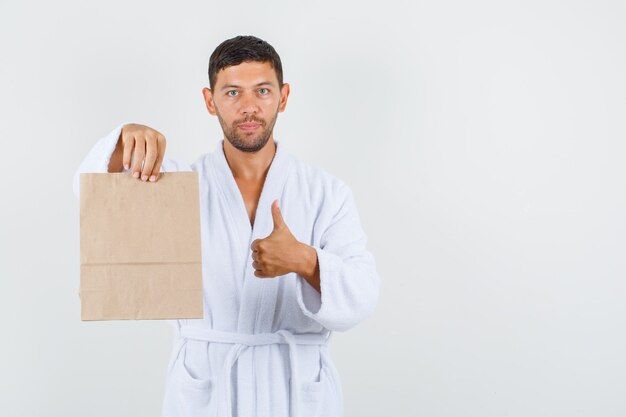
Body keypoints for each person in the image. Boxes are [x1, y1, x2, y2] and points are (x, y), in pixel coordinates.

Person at [73, 34, 380, 417]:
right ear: (209, 100)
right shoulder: (175, 185)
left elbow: (363, 295)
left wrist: (306, 261)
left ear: (283, 97)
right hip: (207, 387)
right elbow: (93, 198)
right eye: (232, 93)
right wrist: (123, 140)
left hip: (295, 392)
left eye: (262, 91)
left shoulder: (326, 192)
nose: (249, 107)